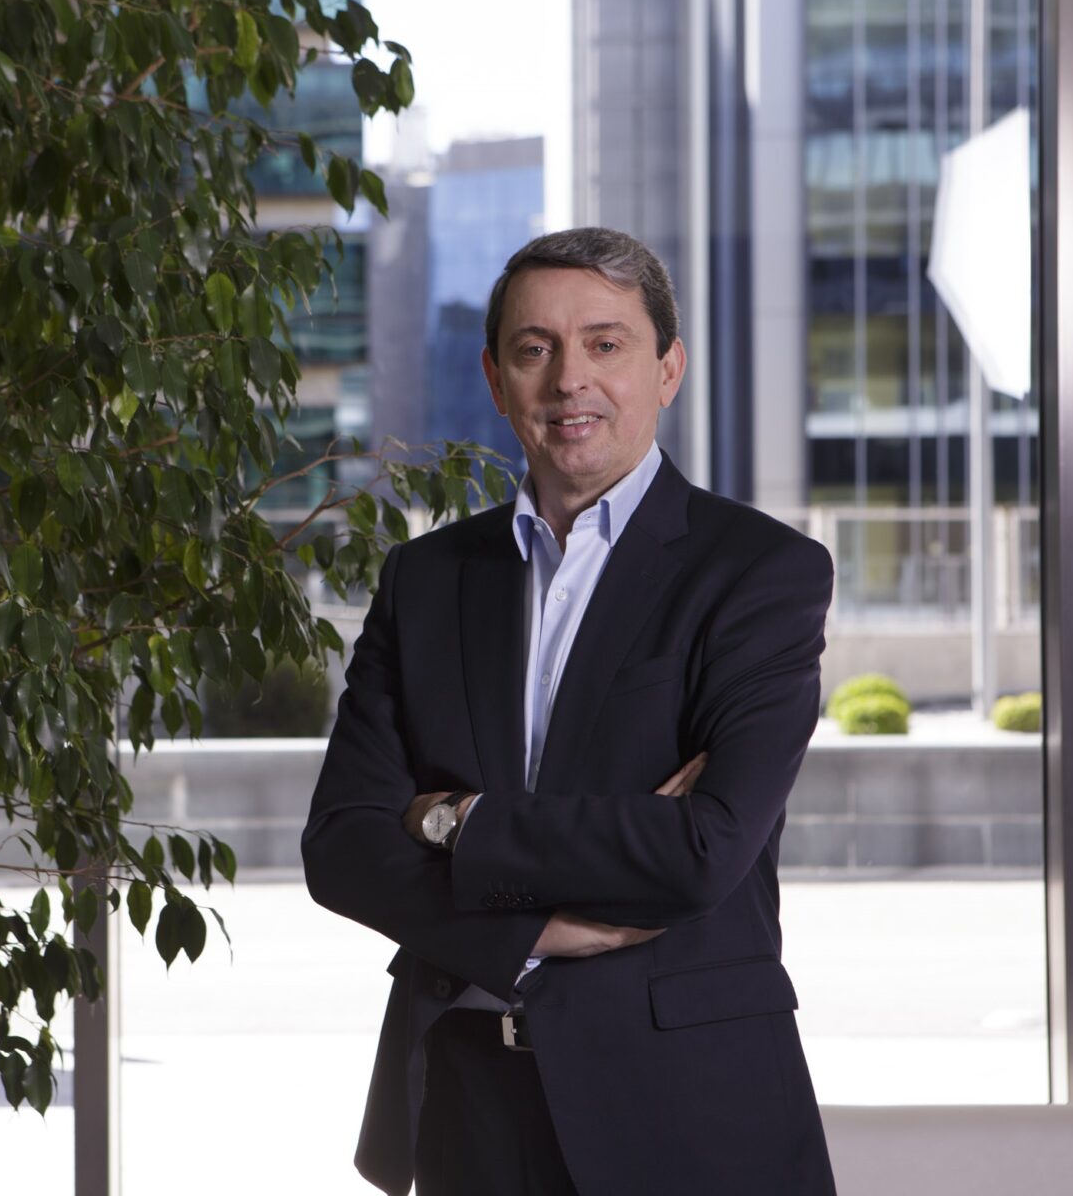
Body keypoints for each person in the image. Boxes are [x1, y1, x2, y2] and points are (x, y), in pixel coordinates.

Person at [301, 227, 839, 1195]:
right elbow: (341, 844)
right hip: (466, 1108)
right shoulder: (427, 579)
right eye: (534, 348)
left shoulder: (761, 573)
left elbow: (703, 848)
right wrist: (530, 928)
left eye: (605, 343)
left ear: (667, 369)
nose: (568, 380)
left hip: (686, 1113)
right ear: (496, 378)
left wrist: (453, 819)